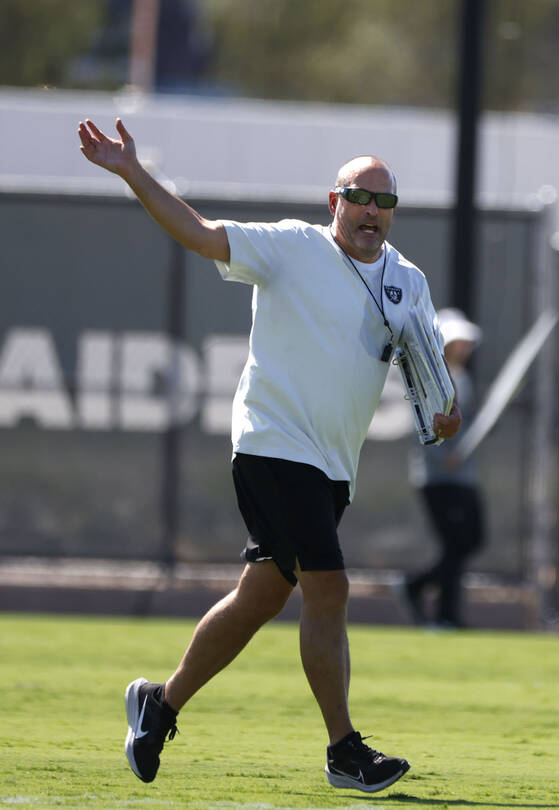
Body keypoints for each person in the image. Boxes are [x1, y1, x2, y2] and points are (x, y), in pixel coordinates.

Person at [78, 117, 461, 793]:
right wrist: (132, 171)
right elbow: (199, 234)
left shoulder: (409, 281)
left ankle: (158, 705)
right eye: (359, 196)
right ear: (333, 202)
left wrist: (445, 414)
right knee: (329, 587)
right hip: (271, 443)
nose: (372, 210)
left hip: (333, 465)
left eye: (385, 201)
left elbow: (432, 383)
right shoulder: (291, 247)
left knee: (260, 598)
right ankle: (344, 750)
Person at [402, 308, 486, 629]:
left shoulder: (463, 378)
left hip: (464, 476)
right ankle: (443, 612)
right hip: (438, 479)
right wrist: (442, 456)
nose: (463, 347)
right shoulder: (431, 376)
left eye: (466, 342)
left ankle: (425, 593)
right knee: (456, 544)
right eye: (457, 341)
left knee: (469, 541)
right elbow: (421, 426)